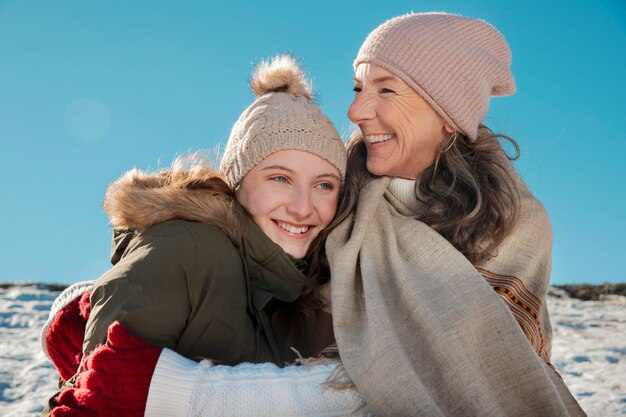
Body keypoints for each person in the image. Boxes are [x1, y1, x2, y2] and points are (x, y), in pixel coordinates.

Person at [43, 13, 586, 417]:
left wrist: (181, 392)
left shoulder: (505, 224)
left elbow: (442, 385)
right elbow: (261, 294)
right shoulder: (344, 193)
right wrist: (95, 304)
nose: (354, 110)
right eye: (357, 87)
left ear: (445, 111)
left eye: (385, 89)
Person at [40, 55, 368, 416]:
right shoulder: (190, 250)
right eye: (280, 179)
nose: (303, 208)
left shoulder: (291, 287)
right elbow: (99, 397)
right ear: (237, 182)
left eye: (324, 185)